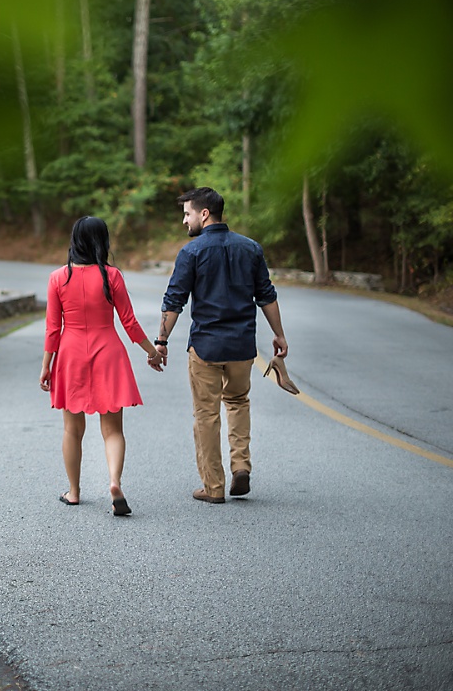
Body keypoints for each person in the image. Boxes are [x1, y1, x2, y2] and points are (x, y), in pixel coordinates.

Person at [155, 187, 290, 504]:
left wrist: (161, 340)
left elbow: (174, 301)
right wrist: (279, 334)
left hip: (205, 347)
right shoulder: (251, 248)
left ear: (204, 214)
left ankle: (213, 487)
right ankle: (241, 465)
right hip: (243, 347)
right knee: (238, 402)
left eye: (187, 213)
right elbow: (266, 295)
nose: (184, 221)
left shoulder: (191, 252)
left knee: (206, 415)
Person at [40, 216, 164, 517]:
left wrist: (46, 365)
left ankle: (74, 492)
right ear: (102, 241)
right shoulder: (112, 276)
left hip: (70, 354)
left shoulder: (58, 278)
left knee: (72, 429)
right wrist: (153, 352)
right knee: (112, 430)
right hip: (108, 351)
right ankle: (114, 482)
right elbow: (129, 322)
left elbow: (52, 328)